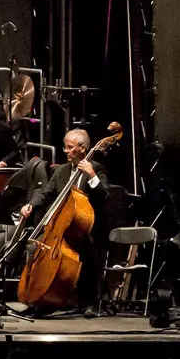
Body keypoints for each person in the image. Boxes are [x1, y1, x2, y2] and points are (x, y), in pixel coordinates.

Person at [19, 129, 109, 314]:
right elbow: (46, 192)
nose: (66, 151)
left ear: (82, 148)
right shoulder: (62, 170)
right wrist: (31, 205)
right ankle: (40, 300)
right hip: (60, 226)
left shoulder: (96, 168)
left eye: (70, 147)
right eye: (65, 147)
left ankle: (89, 301)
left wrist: (92, 176)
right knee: (35, 248)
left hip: (84, 227)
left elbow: (104, 195)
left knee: (87, 249)